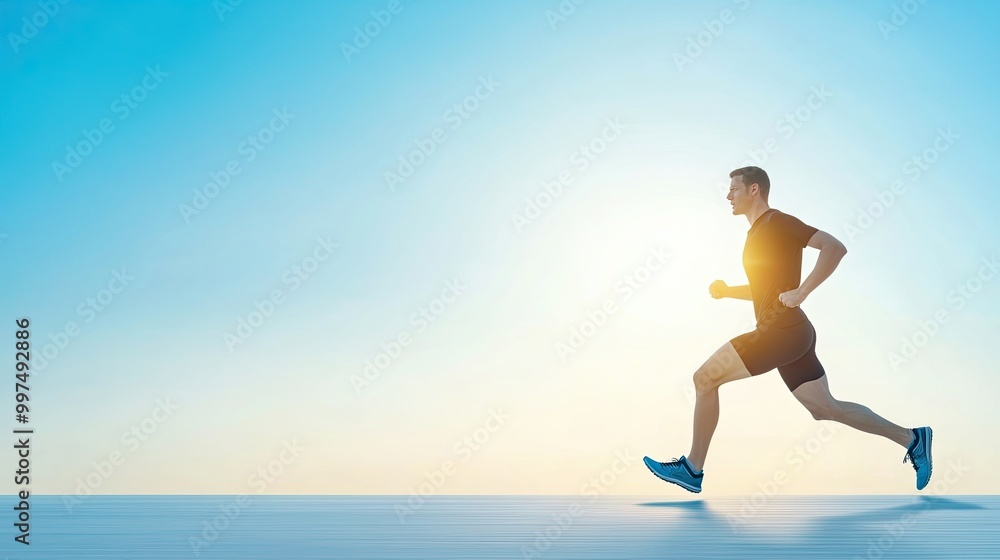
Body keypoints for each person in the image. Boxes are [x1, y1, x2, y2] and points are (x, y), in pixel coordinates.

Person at [643, 166, 932, 493]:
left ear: (754, 190)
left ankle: (692, 469)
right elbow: (765, 289)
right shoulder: (755, 234)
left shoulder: (777, 222)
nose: (728, 196)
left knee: (704, 378)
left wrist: (804, 290)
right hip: (792, 332)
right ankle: (912, 438)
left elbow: (834, 247)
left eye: (734, 189)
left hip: (782, 329)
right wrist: (728, 291)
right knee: (824, 408)